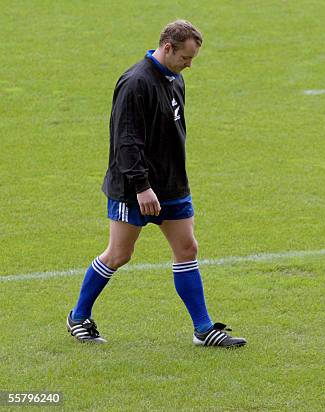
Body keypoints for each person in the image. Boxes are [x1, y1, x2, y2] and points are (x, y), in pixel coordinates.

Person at [66, 20, 246, 348]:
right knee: (119, 254)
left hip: (172, 185)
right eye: (185, 58)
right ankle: (78, 317)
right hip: (134, 188)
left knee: (187, 249)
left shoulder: (175, 78)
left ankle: (203, 329)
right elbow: (126, 141)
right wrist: (141, 186)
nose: (189, 65)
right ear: (167, 48)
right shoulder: (136, 83)